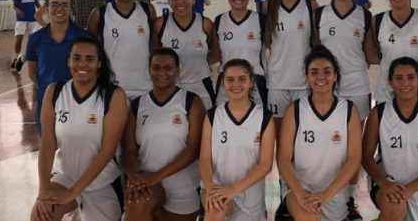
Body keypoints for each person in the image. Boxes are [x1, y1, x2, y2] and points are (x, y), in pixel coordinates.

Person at [30, 36, 128, 221]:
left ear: (99, 63)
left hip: (102, 182)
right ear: (68, 61)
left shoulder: (114, 96)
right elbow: (48, 144)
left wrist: (74, 192)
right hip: (65, 177)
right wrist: (44, 190)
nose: (82, 64)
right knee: (41, 216)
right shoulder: (55, 92)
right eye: (76, 58)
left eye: (90, 59)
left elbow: (107, 152)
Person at [313, 0, 377, 220]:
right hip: (326, 87)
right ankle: (324, 194)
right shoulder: (319, 14)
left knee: (354, 148)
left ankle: (349, 200)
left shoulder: (365, 15)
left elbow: (371, 54)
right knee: (328, 144)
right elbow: (314, 51)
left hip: (357, 85)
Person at [261, 0, 320, 221]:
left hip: (302, 85)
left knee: (298, 143)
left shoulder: (310, 5)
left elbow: (315, 43)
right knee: (278, 143)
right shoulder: (268, 6)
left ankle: (296, 191)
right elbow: (264, 44)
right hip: (277, 84)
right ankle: (284, 192)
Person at [277, 45, 362, 221]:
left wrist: (326, 194)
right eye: (314, 72)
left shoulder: (348, 111)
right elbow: (283, 160)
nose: (321, 76)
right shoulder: (295, 110)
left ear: (335, 75)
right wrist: (300, 194)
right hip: (299, 190)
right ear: (307, 77)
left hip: (334, 191)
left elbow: (354, 159)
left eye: (327, 71)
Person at [362, 57, 418, 221]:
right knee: (394, 206)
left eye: (410, 77)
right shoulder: (378, 114)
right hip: (387, 183)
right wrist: (384, 183)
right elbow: (366, 157)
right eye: (398, 78)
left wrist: (410, 189)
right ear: (390, 82)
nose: (405, 83)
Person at [122, 48, 204, 221]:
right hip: (147, 185)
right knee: (137, 202)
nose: (162, 72)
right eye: (156, 67)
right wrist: (135, 177)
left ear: (177, 70)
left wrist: (153, 178)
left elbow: (193, 149)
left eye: (168, 68)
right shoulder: (137, 105)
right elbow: (129, 150)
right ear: (149, 70)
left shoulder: (191, 102)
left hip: (182, 187)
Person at [199, 59, 276, 221]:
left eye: (242, 79)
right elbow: (205, 159)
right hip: (218, 190)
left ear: (251, 82)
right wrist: (211, 188)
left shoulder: (264, 117)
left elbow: (265, 165)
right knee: (216, 210)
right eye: (230, 79)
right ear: (223, 83)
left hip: (250, 197)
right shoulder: (213, 116)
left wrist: (233, 190)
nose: (236, 84)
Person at [87, 0, 158, 99]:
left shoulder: (147, 10)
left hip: (145, 87)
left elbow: (154, 46)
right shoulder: (99, 14)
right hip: (112, 88)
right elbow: (90, 52)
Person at [26, 0, 89, 132]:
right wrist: (48, 90)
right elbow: (32, 73)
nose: (59, 9)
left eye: (64, 5)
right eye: (54, 4)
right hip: (47, 105)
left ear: (71, 8)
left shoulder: (84, 37)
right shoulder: (36, 39)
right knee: (48, 147)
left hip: (79, 104)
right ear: (46, 8)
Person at [155, 0, 218, 108]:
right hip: (171, 87)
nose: (180, 2)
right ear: (169, 1)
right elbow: (154, 57)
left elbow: (215, 54)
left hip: (201, 86)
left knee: (204, 126)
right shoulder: (160, 24)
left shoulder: (205, 24)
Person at [212, 0, 268, 106]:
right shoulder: (219, 20)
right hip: (227, 83)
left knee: (254, 123)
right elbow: (215, 55)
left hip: (254, 83)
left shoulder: (260, 20)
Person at [12, 0, 43, 72]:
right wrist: (17, 10)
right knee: (19, 39)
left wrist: (41, 12)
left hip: (33, 20)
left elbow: (37, 3)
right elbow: (14, 5)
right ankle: (16, 57)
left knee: (33, 41)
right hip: (21, 20)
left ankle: (32, 60)